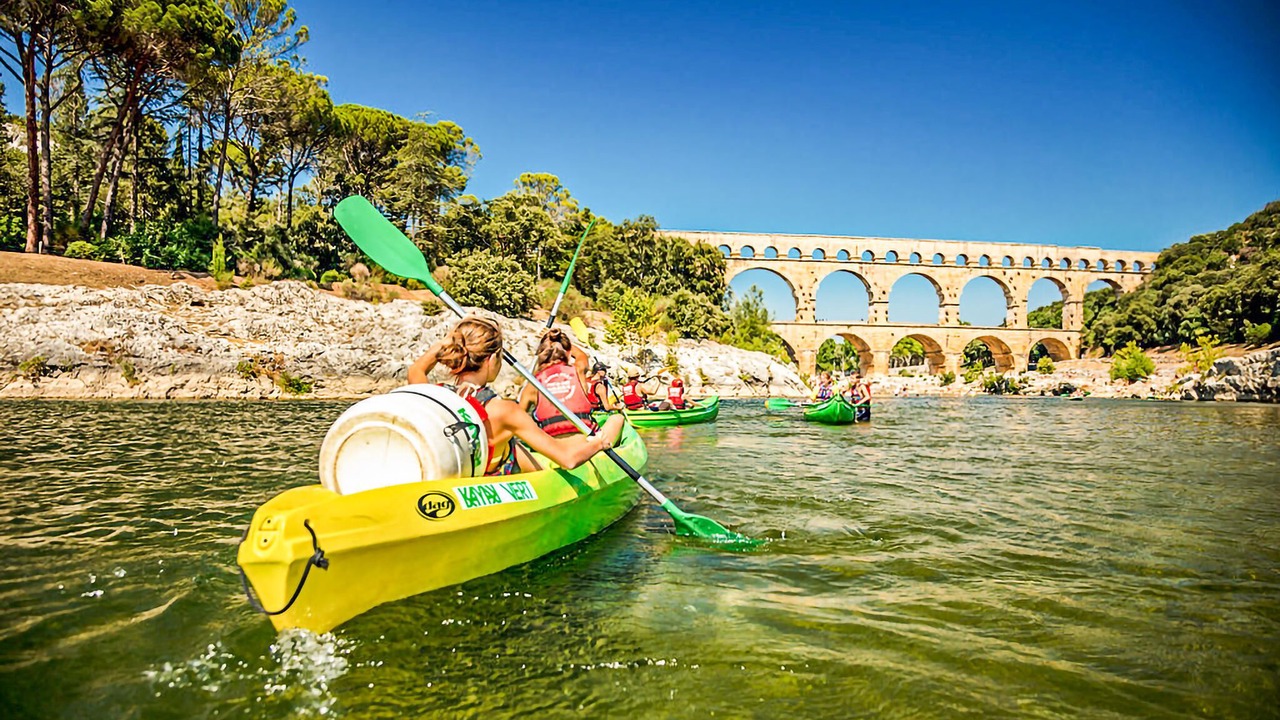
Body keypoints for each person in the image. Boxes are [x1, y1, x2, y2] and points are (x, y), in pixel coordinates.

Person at [407, 315, 624, 475]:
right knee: (515, 446)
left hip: (459, 472)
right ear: (492, 360)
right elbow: (568, 460)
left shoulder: (432, 395)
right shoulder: (504, 411)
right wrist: (598, 444)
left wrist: (444, 344)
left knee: (514, 445)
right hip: (493, 475)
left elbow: (415, 371)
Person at [517, 329, 598, 437]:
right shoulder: (578, 370)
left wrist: (549, 341)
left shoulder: (532, 384)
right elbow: (581, 355)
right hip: (583, 438)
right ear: (568, 353)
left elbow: (517, 418)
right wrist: (558, 340)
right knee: (617, 419)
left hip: (553, 445)